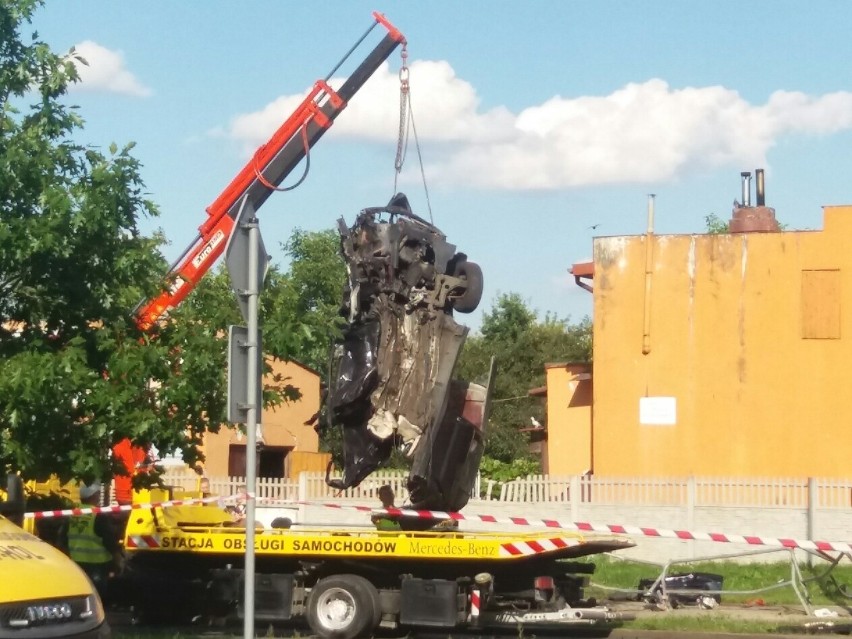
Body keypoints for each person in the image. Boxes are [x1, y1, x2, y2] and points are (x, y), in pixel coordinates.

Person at [62, 482, 123, 600]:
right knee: (97, 599)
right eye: (98, 493)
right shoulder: (98, 515)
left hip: (76, 562)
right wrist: (118, 559)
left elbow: (63, 538)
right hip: (97, 565)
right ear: (93, 496)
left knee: (80, 595)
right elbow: (108, 540)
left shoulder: (73, 513)